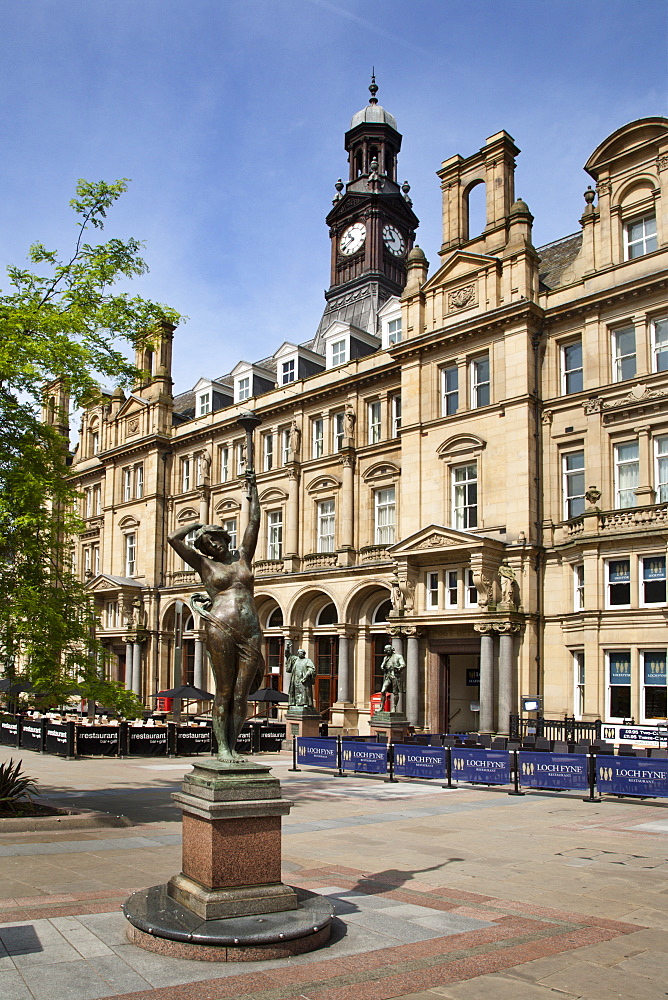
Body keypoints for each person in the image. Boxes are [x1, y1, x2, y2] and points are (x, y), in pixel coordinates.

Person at [168, 469, 264, 762]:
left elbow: (254, 522)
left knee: (241, 694)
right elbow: (173, 538)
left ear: (224, 537)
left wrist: (253, 489)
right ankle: (223, 748)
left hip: (250, 630)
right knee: (223, 690)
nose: (213, 545)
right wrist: (197, 525)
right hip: (220, 626)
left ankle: (232, 747)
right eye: (207, 544)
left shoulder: (243, 557)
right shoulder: (205, 566)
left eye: (216, 539)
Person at [285, 642, 316, 708]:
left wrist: (305, 677)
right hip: (296, 679)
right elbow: (287, 655)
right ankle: (296, 703)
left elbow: (311, 669)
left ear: (304, 654)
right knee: (296, 692)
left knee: (304, 692)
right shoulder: (295, 659)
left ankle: (306, 704)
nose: (300, 653)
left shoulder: (307, 661)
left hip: (304, 680)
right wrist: (288, 647)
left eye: (301, 652)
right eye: (299, 652)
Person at [379, 644, 405, 712]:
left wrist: (398, 668)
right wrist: (383, 667)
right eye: (385, 651)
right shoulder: (386, 658)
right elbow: (382, 666)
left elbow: (403, 664)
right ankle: (381, 707)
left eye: (387, 651)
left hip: (395, 675)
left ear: (391, 650)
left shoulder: (398, 656)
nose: (386, 652)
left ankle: (394, 707)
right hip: (388, 676)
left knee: (395, 692)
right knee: (383, 691)